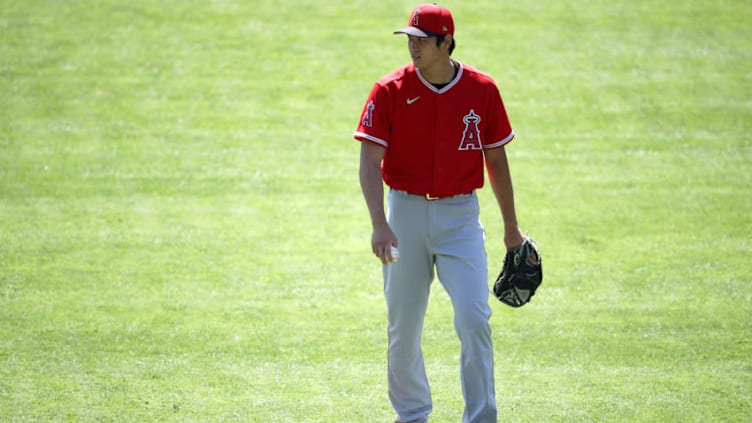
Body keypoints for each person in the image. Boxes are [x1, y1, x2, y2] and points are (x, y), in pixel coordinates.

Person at [354, 3, 526, 423]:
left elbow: (496, 161)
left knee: (474, 318)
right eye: (408, 39)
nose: (412, 48)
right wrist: (379, 222)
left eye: (421, 40)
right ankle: (412, 415)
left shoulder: (482, 90)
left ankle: (481, 417)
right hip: (404, 216)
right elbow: (369, 160)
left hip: (461, 217)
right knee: (403, 327)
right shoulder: (389, 90)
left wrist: (511, 230)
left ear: (445, 42)